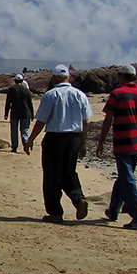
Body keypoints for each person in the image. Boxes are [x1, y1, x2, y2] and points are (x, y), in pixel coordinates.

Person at [23, 64, 93, 223]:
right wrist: (83, 144)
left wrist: (30, 139)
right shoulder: (80, 95)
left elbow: (41, 121)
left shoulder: (51, 95)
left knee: (51, 176)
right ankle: (78, 198)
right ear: (68, 77)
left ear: (54, 78)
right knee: (69, 172)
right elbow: (86, 122)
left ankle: (55, 212)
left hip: (55, 138)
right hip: (74, 138)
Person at [96, 64, 137, 230]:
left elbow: (108, 119)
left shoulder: (117, 94)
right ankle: (113, 211)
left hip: (122, 143)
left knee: (127, 179)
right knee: (124, 177)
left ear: (122, 77)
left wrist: (101, 141)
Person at [4, 74, 34, 153]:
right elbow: (30, 103)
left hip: (15, 112)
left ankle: (14, 147)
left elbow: (8, 102)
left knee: (14, 130)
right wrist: (32, 113)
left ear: (15, 81)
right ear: (22, 81)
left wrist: (6, 113)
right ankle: (26, 143)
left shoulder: (11, 89)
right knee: (24, 130)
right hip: (25, 112)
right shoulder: (26, 90)